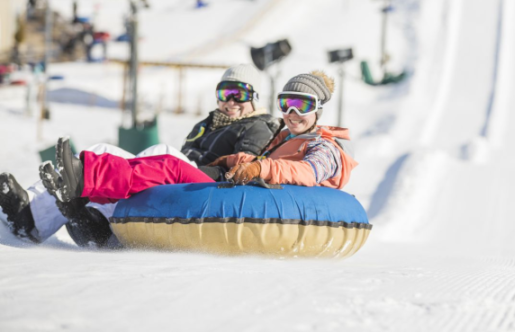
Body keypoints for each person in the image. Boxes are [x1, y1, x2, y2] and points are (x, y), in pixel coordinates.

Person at [0, 64, 282, 246]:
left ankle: (93, 213)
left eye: (240, 94)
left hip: (210, 187)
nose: (231, 101)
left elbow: (242, 169)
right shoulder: (208, 123)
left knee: (160, 152)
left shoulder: (258, 125)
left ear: (254, 98)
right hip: (186, 180)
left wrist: (198, 168)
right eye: (225, 92)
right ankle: (32, 216)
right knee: (102, 150)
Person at [40, 71, 357, 208]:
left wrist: (260, 170)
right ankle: (89, 193)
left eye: (301, 105)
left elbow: (306, 173)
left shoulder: (324, 148)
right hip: (239, 186)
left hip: (249, 197)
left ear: (318, 109)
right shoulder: (284, 137)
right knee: (157, 165)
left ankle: (85, 178)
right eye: (286, 103)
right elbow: (261, 162)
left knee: (169, 165)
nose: (291, 112)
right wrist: (232, 161)